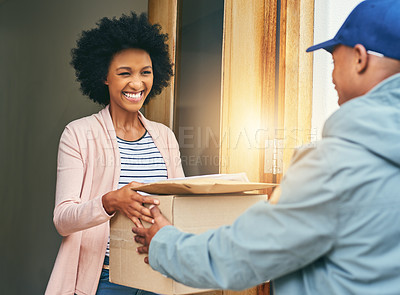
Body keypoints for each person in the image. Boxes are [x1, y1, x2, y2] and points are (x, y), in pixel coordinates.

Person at [132, 1, 400, 294]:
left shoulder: (337, 164)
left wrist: (163, 242)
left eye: (334, 62)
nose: (332, 77)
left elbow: (239, 257)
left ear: (360, 58)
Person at [45, 12, 184, 295]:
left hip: (159, 276)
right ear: (104, 77)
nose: (137, 83)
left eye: (145, 72)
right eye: (125, 73)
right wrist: (110, 202)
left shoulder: (164, 137)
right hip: (107, 280)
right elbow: (63, 219)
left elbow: (179, 203)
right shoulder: (78, 134)